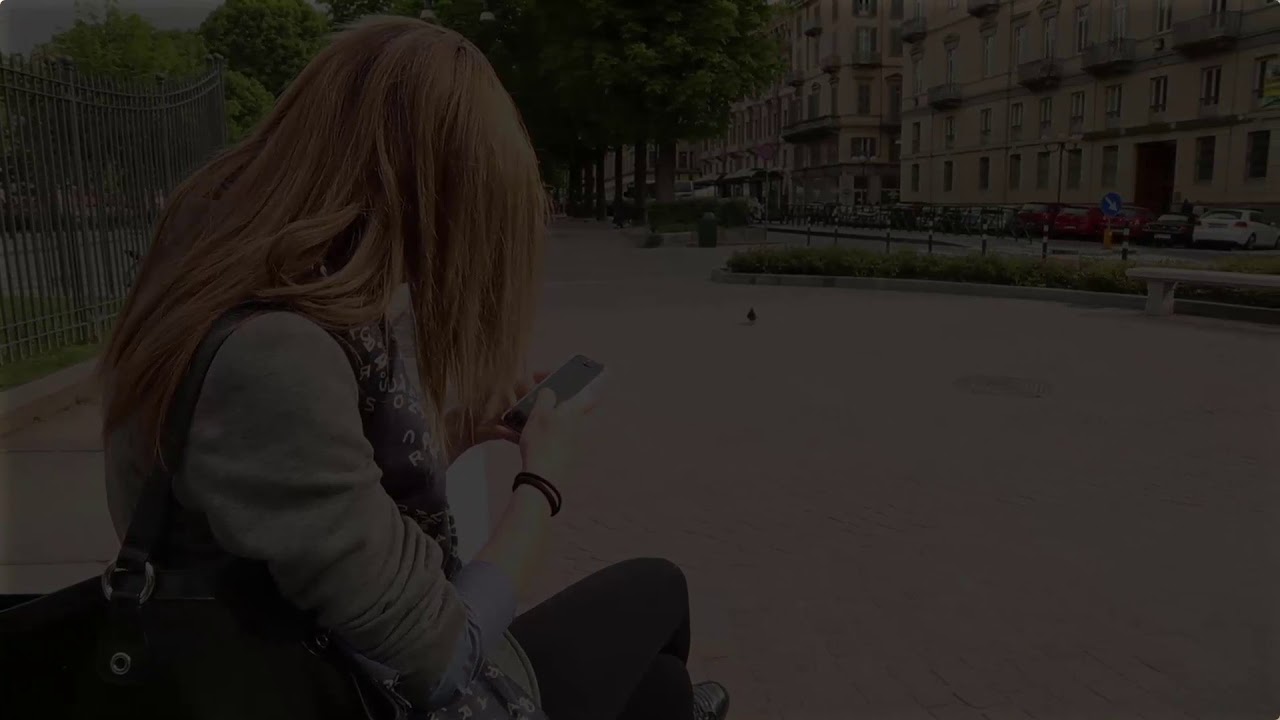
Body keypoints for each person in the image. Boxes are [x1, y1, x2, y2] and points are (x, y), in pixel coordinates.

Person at [100, 17, 729, 720]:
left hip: (307, 662)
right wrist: (540, 481)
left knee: (662, 692)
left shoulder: (230, 291)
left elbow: (299, 502)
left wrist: (453, 437)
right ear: (424, 194)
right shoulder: (274, 354)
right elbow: (440, 658)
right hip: (348, 689)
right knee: (657, 592)